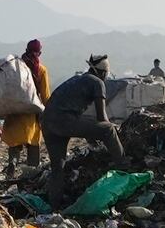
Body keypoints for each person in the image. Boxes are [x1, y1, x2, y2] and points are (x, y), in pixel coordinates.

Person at [42, 54, 124, 206]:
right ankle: (124, 168)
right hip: (63, 121)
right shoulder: (98, 83)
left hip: (47, 121)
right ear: (104, 73)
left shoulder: (77, 79)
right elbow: (102, 118)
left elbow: (77, 114)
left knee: (57, 166)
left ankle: (54, 205)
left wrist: (91, 136)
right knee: (109, 129)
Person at [1, 39, 51, 177]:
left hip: (14, 111)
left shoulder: (16, 66)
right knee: (33, 143)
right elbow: (46, 96)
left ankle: (12, 163)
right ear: (39, 52)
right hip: (31, 113)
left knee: (14, 143)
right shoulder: (41, 70)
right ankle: (32, 172)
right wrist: (50, 111)